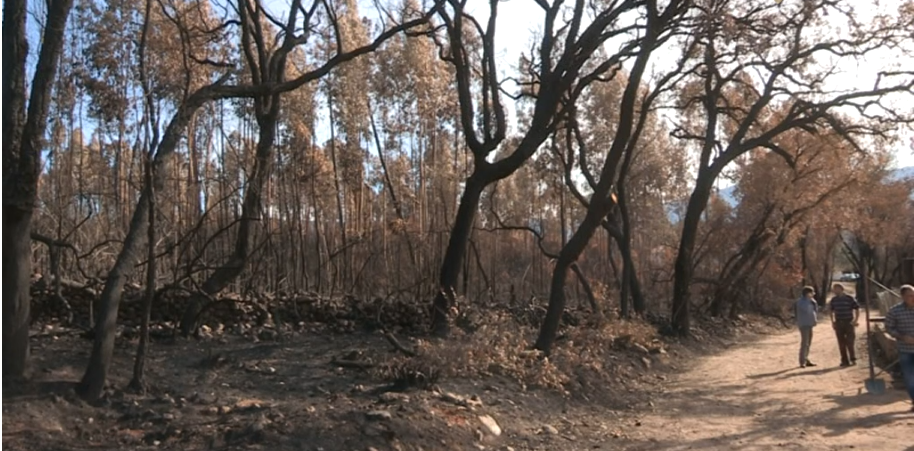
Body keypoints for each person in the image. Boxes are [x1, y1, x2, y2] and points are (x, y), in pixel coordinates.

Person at [884, 284, 914, 412]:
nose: (913, 298)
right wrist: (902, 337)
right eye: (910, 296)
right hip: (905, 350)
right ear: (903, 297)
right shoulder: (894, 311)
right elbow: (889, 328)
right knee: (909, 378)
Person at [828, 283, 859, 367]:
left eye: (836, 289)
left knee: (850, 342)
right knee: (841, 343)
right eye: (834, 289)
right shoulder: (834, 300)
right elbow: (831, 311)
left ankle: (853, 358)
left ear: (841, 289)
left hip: (848, 322)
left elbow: (856, 308)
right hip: (839, 322)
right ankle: (844, 360)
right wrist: (832, 322)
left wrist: (855, 320)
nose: (835, 291)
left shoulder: (849, 298)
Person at [794, 286, 819, 368]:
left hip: (810, 324)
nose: (813, 294)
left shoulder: (811, 301)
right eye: (812, 293)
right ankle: (802, 361)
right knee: (804, 343)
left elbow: (814, 311)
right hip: (803, 324)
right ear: (807, 293)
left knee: (808, 343)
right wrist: (811, 301)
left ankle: (806, 359)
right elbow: (807, 310)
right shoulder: (801, 302)